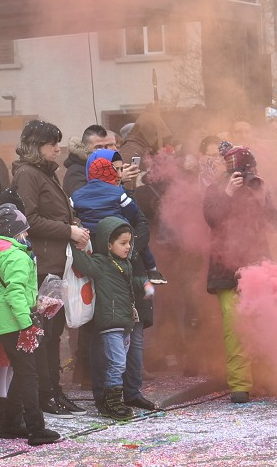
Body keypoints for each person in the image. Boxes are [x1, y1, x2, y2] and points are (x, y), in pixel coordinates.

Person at [12, 120, 88, 418]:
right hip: (43, 267)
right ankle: (46, 394)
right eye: (52, 144)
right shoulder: (27, 175)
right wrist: (68, 231)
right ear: (35, 146)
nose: (58, 148)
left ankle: (54, 390)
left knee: (54, 334)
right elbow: (28, 219)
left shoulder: (45, 172)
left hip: (55, 264)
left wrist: (74, 226)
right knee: (45, 335)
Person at [204, 144, 277, 404]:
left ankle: (265, 378)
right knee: (234, 327)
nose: (248, 175)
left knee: (263, 323)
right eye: (242, 171)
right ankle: (240, 385)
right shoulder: (215, 190)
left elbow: (275, 224)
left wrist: (262, 198)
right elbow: (212, 218)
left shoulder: (259, 188)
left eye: (251, 170)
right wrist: (227, 193)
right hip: (226, 270)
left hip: (258, 267)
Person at [0, 203, 61, 446]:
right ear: (16, 232)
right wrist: (27, 324)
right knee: (29, 374)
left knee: (21, 371)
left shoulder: (1, 254)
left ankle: (10, 424)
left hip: (6, 322)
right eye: (24, 231)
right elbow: (14, 293)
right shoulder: (17, 256)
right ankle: (36, 428)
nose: (27, 235)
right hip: (15, 323)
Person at [69, 216, 156, 419]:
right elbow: (83, 264)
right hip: (111, 322)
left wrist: (144, 283)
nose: (128, 248)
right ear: (109, 243)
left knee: (119, 362)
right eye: (123, 243)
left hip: (124, 321)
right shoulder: (101, 263)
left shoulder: (125, 264)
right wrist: (71, 243)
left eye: (129, 243)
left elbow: (130, 282)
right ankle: (113, 401)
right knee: (116, 363)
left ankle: (113, 399)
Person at [70, 149, 165, 284]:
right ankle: (152, 270)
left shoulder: (80, 195)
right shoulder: (118, 194)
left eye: (121, 169)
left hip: (130, 268)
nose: (120, 175)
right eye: (115, 169)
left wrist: (128, 250)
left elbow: (141, 224)